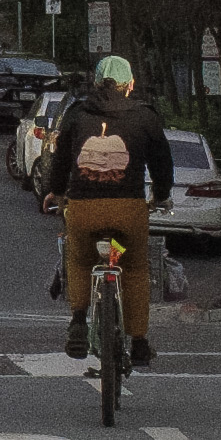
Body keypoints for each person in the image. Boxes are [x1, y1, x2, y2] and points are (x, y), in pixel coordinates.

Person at [40, 53, 167, 368]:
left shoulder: (77, 114)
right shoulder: (146, 117)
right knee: (136, 269)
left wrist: (55, 192)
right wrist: (160, 195)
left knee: (80, 260)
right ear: (130, 85)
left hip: (85, 209)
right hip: (129, 210)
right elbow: (163, 164)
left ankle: (79, 321)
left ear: (96, 83)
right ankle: (139, 342)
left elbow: (61, 161)